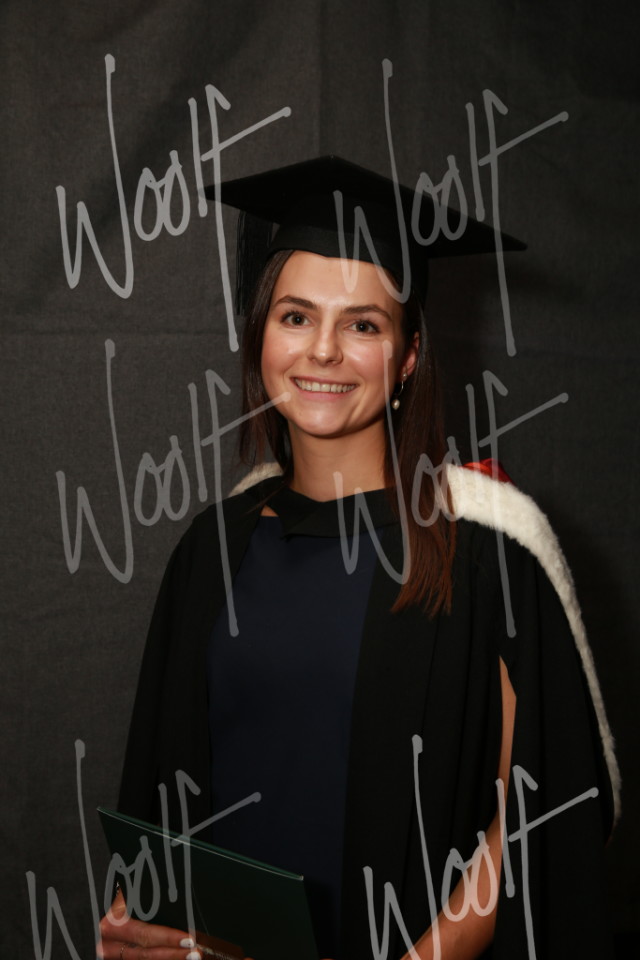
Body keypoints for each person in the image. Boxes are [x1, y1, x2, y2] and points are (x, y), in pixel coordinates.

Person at [98, 156, 619, 960]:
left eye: (364, 325)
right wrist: (139, 924)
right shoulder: (213, 549)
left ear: (408, 354)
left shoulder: (484, 553)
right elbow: (160, 792)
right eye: (295, 316)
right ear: (260, 333)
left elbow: (533, 813)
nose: (323, 351)